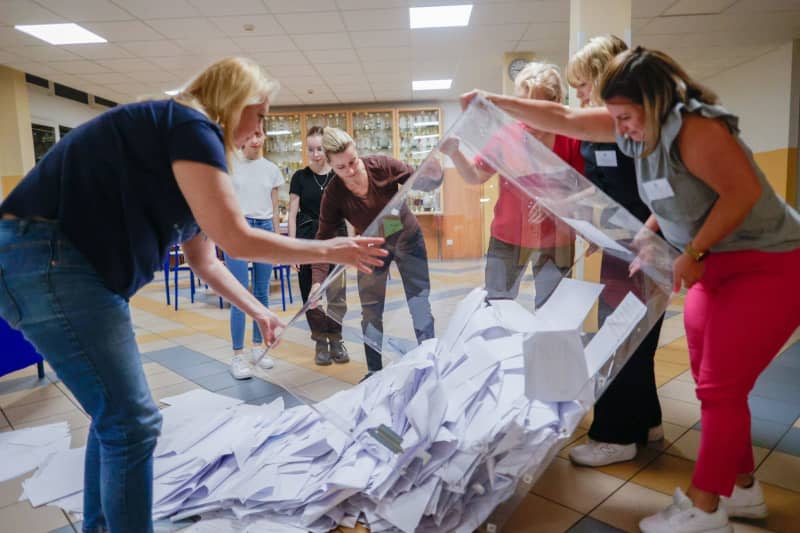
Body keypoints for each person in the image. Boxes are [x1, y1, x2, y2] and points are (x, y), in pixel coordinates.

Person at [0, 57, 387, 533]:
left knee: (116, 417)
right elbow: (239, 238)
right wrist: (330, 248)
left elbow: (206, 258)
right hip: (52, 259)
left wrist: (259, 309)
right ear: (233, 102)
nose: (259, 128)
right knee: (131, 421)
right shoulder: (191, 125)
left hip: (70, 267)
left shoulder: (188, 144)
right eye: (260, 114)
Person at [462, 46, 800, 533]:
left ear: (655, 102)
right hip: (714, 266)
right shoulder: (634, 126)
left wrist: (694, 251)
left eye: (624, 116)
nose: (619, 128)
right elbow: (564, 117)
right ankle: (743, 490)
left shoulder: (699, 128)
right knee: (713, 387)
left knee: (721, 389)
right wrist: (493, 102)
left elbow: (742, 194)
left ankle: (705, 510)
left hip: (763, 264)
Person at [563, 35, 666, 467]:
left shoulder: (636, 127)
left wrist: (647, 233)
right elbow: (597, 186)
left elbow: (663, 189)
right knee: (630, 335)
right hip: (617, 246)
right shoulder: (599, 128)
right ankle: (646, 421)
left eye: (585, 85)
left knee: (622, 338)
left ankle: (615, 436)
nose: (580, 95)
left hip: (647, 245)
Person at [441, 62, 584, 307]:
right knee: (498, 304)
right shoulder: (506, 137)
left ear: (555, 102)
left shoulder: (571, 139)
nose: (525, 117)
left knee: (554, 308)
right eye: (521, 106)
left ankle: (546, 347)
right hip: (507, 237)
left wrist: (558, 202)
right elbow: (475, 176)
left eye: (533, 107)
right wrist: (454, 154)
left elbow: (586, 190)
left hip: (556, 239)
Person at [311, 127, 441, 380]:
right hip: (371, 249)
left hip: (407, 238)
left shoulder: (382, 166)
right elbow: (323, 239)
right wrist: (317, 280)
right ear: (330, 166)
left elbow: (423, 182)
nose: (350, 170)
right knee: (371, 311)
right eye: (341, 167)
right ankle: (374, 371)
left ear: (358, 153)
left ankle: (431, 359)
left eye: (353, 161)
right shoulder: (334, 194)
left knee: (419, 301)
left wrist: (435, 168)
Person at [224, 130, 284, 379]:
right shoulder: (230, 166)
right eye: (251, 135)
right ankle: (237, 356)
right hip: (238, 228)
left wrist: (278, 240)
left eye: (260, 135)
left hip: (265, 227)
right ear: (243, 138)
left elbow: (274, 208)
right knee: (239, 294)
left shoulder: (271, 169)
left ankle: (258, 349)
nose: (256, 140)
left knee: (261, 292)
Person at [289, 126, 350, 366]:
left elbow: (348, 210)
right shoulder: (299, 177)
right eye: (311, 149)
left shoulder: (338, 175)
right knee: (310, 295)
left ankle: (335, 339)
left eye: (320, 149)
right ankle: (320, 342)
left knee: (336, 294)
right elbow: (292, 215)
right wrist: (292, 248)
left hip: (335, 238)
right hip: (307, 240)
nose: (316, 154)